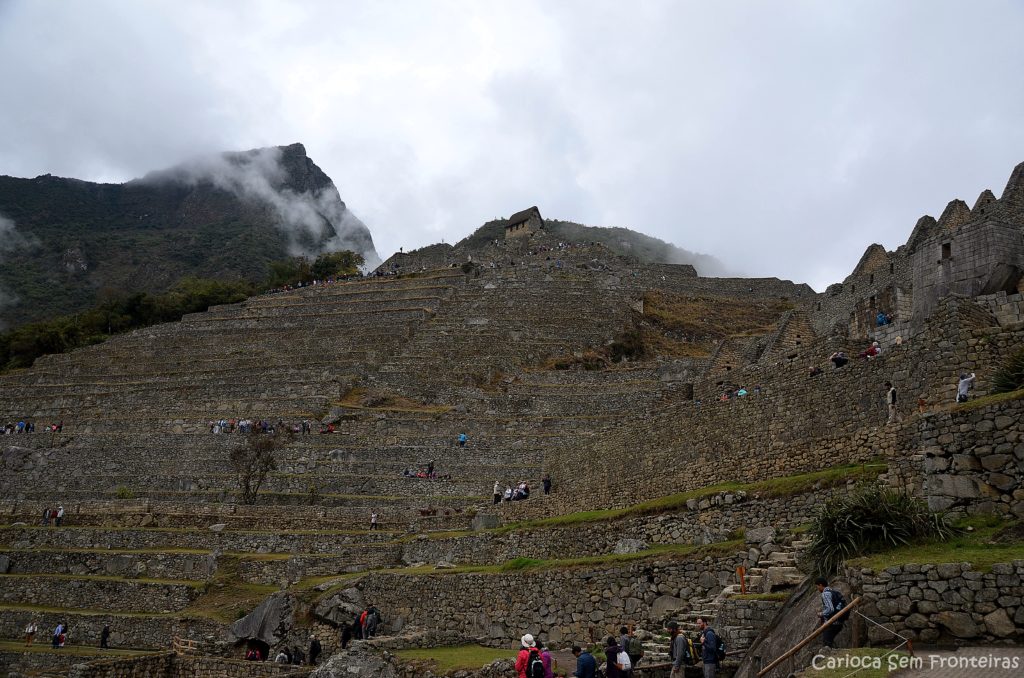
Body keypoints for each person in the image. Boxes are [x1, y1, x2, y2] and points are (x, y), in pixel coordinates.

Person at [815, 576, 844, 648]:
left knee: (827, 643)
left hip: (832, 622)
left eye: (817, 586)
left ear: (821, 585)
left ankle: (829, 657)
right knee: (830, 642)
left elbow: (831, 609)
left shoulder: (825, 594)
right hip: (839, 621)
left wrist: (821, 614)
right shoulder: (832, 591)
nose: (817, 588)